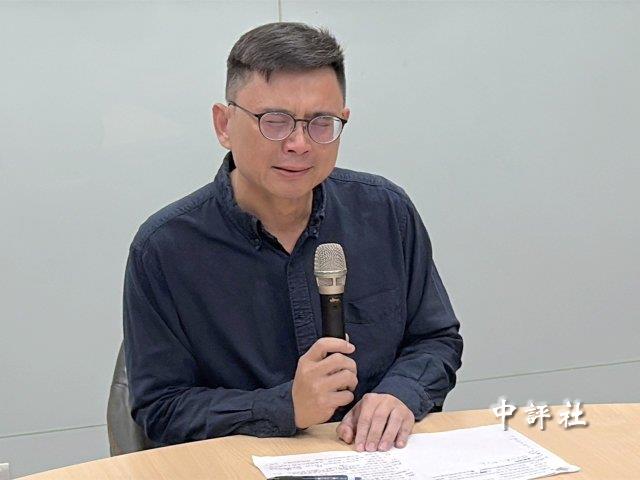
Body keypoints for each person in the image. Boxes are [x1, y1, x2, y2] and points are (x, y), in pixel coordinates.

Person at [123, 22, 463, 453]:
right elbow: (161, 408)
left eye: (321, 123)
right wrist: (287, 406)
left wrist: (399, 393)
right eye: (275, 121)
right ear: (224, 124)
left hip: (377, 458)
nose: (300, 144)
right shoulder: (165, 248)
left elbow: (435, 338)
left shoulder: (384, 212)